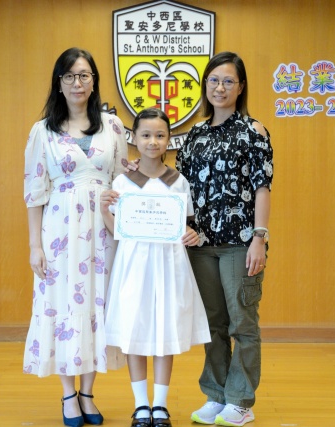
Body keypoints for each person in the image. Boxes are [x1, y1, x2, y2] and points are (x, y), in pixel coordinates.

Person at [22, 47, 128, 427]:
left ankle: (87, 393)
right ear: (59, 83)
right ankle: (68, 394)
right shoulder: (42, 131)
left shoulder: (113, 127)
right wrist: (35, 246)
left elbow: (122, 182)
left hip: (103, 232)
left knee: (97, 304)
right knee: (62, 305)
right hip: (60, 233)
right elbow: (34, 191)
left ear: (94, 81)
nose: (77, 83)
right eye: (69, 76)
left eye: (84, 75)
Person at [177, 52, 274, 427]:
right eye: (214, 80)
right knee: (213, 325)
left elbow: (262, 188)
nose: (220, 87)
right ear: (206, 85)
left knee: (242, 323)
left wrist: (259, 238)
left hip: (240, 244)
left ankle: (241, 401)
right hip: (201, 246)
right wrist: (139, 172)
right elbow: (179, 188)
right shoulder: (195, 135)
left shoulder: (254, 131)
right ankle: (216, 396)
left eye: (228, 81)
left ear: (241, 87)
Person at [100, 108, 211, 427]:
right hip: (133, 266)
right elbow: (117, 230)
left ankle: (160, 405)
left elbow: (184, 225)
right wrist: (105, 209)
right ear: (134, 138)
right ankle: (141, 405)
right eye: (146, 135)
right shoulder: (122, 181)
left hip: (169, 265)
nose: (153, 141)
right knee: (134, 330)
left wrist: (191, 234)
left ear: (168, 139)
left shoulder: (178, 181)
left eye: (160, 135)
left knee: (165, 330)